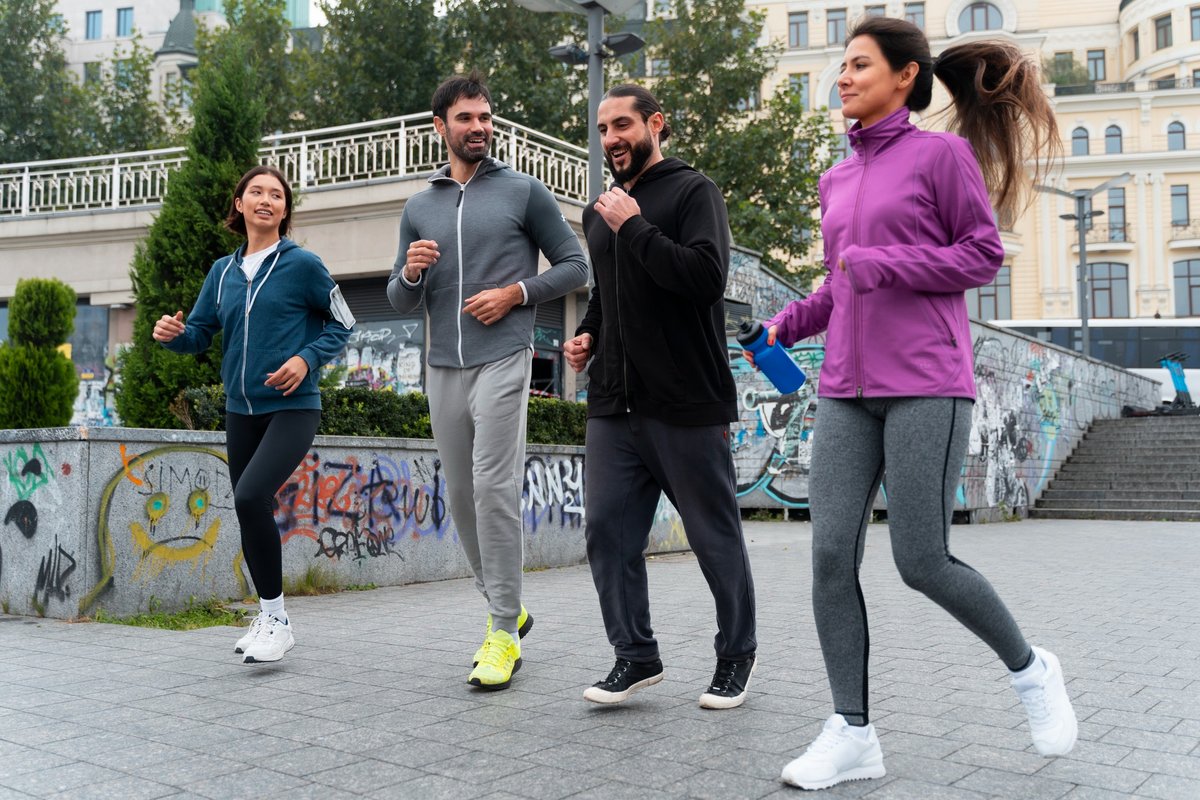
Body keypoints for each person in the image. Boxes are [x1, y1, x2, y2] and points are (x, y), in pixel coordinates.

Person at [743, 17, 1075, 790]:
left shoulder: (942, 156)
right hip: (846, 389)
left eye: (860, 64)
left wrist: (888, 262)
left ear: (905, 77)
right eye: (842, 66)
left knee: (921, 560)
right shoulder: (836, 178)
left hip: (927, 383)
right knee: (830, 556)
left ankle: (1032, 670)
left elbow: (982, 254)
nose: (844, 77)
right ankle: (852, 732)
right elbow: (840, 284)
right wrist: (784, 325)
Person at [388, 71, 589, 691]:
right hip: (442, 364)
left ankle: (502, 631)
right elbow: (398, 299)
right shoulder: (419, 206)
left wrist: (515, 294)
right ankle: (508, 604)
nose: (479, 128)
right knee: (460, 496)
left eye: (485, 117)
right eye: (466, 118)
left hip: (504, 354)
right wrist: (412, 273)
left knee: (493, 487)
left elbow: (576, 265)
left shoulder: (523, 191)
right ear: (440, 126)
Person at [563, 85, 757, 710]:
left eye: (623, 125)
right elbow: (607, 291)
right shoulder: (599, 211)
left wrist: (635, 226)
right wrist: (589, 334)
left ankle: (736, 655)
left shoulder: (694, 192)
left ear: (655, 124)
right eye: (603, 129)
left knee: (713, 536)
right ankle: (636, 655)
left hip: (686, 400)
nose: (612, 138)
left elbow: (705, 279)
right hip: (613, 403)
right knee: (607, 532)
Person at [154, 164, 354, 665]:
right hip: (239, 410)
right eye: (256, 192)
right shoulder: (221, 272)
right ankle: (269, 616)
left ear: (285, 211)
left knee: (249, 494)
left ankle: (278, 623)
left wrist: (306, 358)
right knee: (249, 509)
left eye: (277, 195)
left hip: (293, 406)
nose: (266, 200)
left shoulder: (303, 265)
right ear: (239, 204)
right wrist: (176, 337)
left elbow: (343, 322)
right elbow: (200, 333)